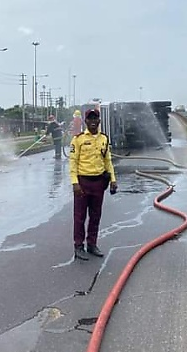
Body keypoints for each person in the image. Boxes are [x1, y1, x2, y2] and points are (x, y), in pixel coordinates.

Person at [69, 108, 117, 260]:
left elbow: (107, 160)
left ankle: (92, 244)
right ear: (86, 121)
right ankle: (78, 246)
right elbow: (73, 163)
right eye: (90, 119)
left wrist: (113, 180)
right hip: (83, 182)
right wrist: (75, 183)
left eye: (95, 119)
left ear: (99, 121)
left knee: (95, 216)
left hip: (99, 183)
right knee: (80, 217)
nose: (93, 122)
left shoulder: (104, 139)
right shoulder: (78, 139)